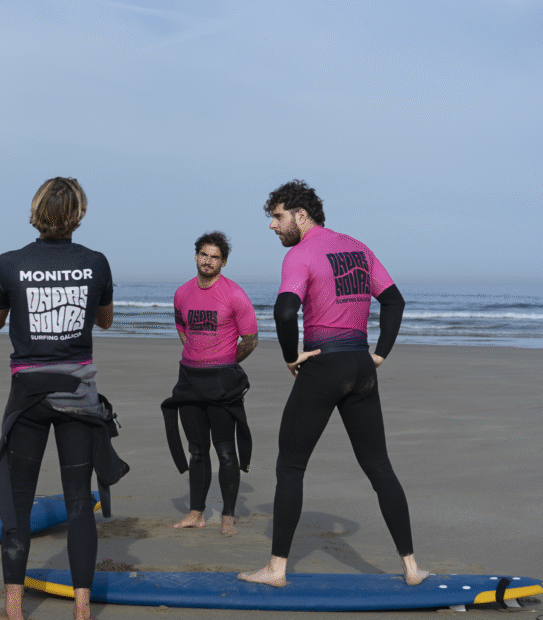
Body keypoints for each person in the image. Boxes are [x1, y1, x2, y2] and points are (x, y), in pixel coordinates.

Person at [239, 180, 428, 587]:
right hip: (361, 367)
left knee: (290, 467)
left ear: (300, 216)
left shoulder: (301, 254)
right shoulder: (359, 247)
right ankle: (412, 567)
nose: (273, 226)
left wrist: (292, 356)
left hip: (324, 366)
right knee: (379, 467)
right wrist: (379, 354)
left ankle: (276, 569)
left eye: (277, 216)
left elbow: (286, 311)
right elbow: (394, 300)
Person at [0, 177, 128, 620]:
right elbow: (105, 322)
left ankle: (14, 608)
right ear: (78, 214)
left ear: (37, 210)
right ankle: (82, 611)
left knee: (18, 501)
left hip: (27, 397)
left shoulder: (8, 264)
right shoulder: (96, 263)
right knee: (79, 502)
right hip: (77, 395)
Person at [162, 231, 258, 536]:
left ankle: (228, 515)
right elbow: (182, 326)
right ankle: (197, 513)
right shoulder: (182, 293)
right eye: (204, 254)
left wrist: (225, 362)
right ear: (195, 256)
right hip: (189, 379)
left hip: (222, 381)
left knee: (226, 451)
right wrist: (197, 356)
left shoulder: (234, 295)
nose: (208, 261)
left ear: (223, 262)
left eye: (215, 257)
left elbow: (251, 339)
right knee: (197, 450)